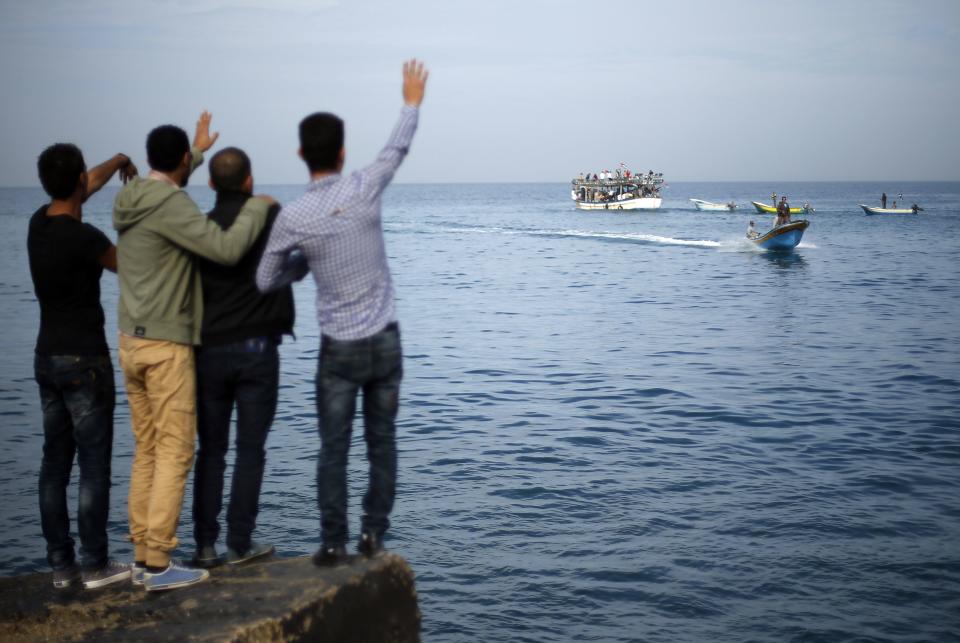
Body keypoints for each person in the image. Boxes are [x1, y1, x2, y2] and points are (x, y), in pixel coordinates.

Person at [257, 59, 428, 566]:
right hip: (385, 340)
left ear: (301, 154)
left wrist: (302, 267)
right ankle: (373, 536)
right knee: (382, 442)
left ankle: (333, 543)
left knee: (334, 450)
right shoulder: (364, 186)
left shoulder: (293, 217)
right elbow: (397, 148)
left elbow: (265, 279)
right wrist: (412, 100)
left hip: (338, 350)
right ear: (343, 151)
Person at [113, 112, 274, 591]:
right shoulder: (172, 204)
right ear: (183, 161)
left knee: (147, 450)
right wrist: (255, 209)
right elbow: (223, 249)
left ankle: (143, 553)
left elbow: (171, 173)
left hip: (130, 341)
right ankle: (160, 563)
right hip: (166, 345)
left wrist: (197, 149)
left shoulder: (130, 196)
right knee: (177, 451)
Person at [191, 147, 308, 570]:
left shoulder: (200, 227)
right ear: (249, 180)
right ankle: (240, 544)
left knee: (211, 451)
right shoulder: (271, 221)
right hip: (258, 349)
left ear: (210, 183)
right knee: (250, 450)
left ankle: (204, 547)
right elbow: (303, 254)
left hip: (209, 351)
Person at [28, 144, 137, 590]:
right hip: (85, 362)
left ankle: (62, 566)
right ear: (78, 183)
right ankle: (95, 564)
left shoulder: (39, 224)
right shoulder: (86, 239)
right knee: (93, 466)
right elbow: (129, 267)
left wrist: (117, 160)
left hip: (46, 358)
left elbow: (81, 187)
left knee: (54, 464)